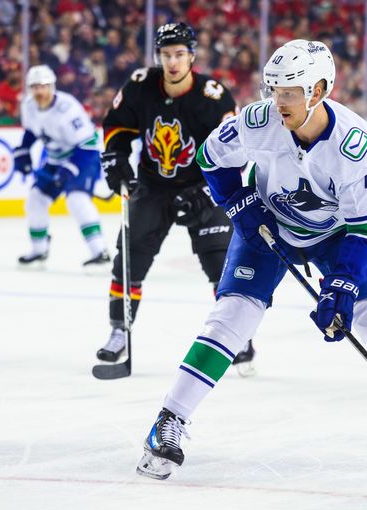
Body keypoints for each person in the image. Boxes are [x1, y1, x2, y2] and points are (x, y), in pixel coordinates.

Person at [136, 40, 367, 480]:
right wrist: (239, 202)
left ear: (318, 90)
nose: (279, 101)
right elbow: (210, 157)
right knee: (232, 315)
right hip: (267, 227)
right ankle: (169, 422)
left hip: (337, 237)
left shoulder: (355, 147)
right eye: (274, 89)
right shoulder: (259, 121)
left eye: (290, 92)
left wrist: (343, 283)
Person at [97, 22, 256, 372]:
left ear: (192, 56)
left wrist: (207, 189)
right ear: (158, 56)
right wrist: (115, 158)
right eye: (166, 55)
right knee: (130, 258)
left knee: (220, 264)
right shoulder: (140, 86)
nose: (172, 62)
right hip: (153, 187)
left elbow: (235, 153)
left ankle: (238, 336)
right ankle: (119, 331)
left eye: (180, 54)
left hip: (202, 188)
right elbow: (117, 126)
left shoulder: (212, 97)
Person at [13, 65, 110, 267]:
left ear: (52, 86)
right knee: (35, 199)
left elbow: (87, 144)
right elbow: (32, 132)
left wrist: (70, 170)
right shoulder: (29, 106)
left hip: (84, 156)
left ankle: (100, 250)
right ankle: (39, 250)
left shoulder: (68, 109)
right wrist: (23, 152)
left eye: (44, 86)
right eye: (35, 87)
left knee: (76, 198)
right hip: (55, 159)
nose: (40, 91)